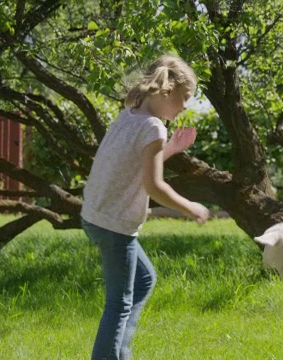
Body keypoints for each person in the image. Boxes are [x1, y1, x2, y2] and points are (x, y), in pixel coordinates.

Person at [81, 54, 210, 360]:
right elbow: (154, 186)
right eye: (185, 98)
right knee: (119, 303)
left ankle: (120, 352)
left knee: (143, 279)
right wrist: (191, 207)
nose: (185, 106)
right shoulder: (153, 127)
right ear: (167, 91)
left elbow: (135, 167)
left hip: (95, 217)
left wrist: (172, 150)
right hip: (115, 226)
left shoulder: (130, 115)